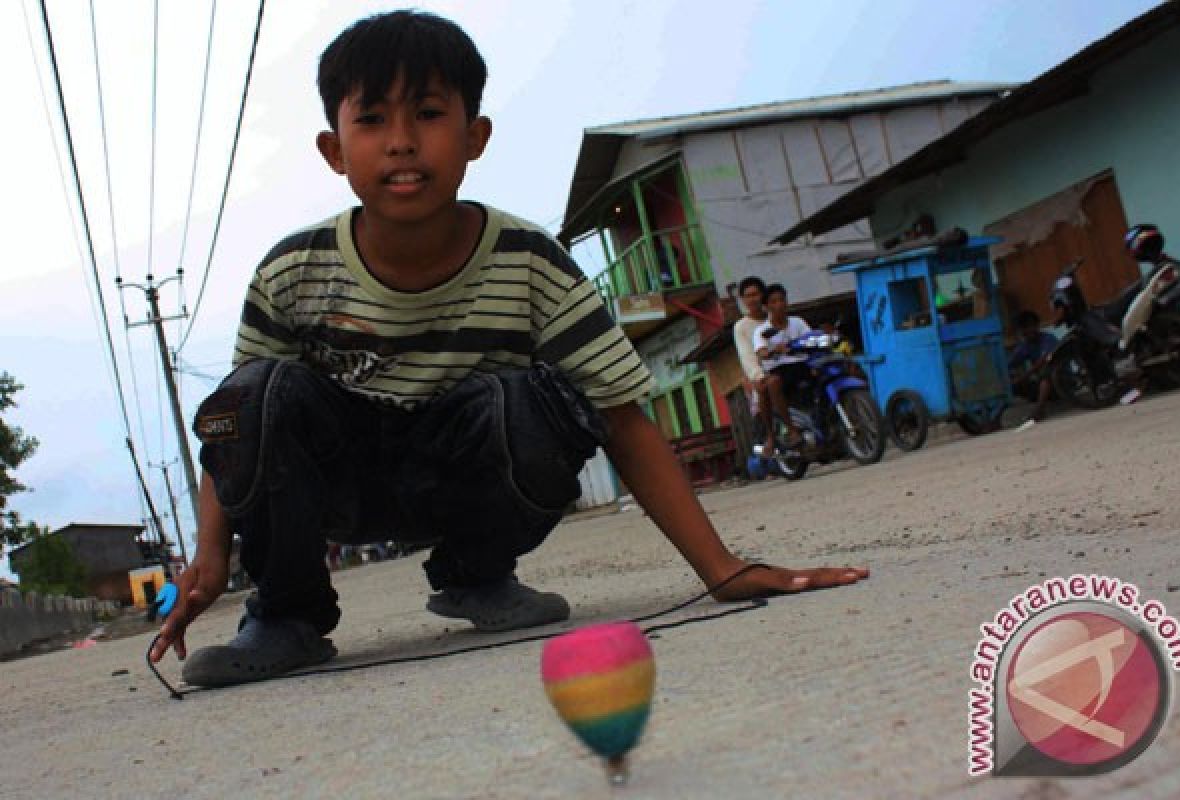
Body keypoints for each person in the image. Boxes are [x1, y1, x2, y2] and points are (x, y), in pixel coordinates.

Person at [149, 11, 867, 687]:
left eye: (428, 114)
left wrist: (721, 569)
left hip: (458, 480)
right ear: (335, 150)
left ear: (475, 135)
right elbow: (235, 427)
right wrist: (210, 558)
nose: (401, 141)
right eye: (372, 120)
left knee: (546, 400)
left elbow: (622, 417)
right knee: (257, 391)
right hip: (335, 486)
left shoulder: (529, 260)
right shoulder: (292, 271)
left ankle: (477, 574)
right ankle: (286, 616)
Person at [753, 284, 812, 442]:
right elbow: (761, 352)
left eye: (781, 300)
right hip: (780, 370)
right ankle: (791, 429)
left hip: (802, 365)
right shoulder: (761, 330)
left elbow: (810, 338)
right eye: (773, 301)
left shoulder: (798, 322)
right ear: (766, 307)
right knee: (772, 382)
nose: (779, 304)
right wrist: (773, 351)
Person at [732, 276, 784, 455]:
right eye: (747, 296)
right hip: (764, 376)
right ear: (742, 300)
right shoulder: (741, 326)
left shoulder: (775, 317)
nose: (752, 299)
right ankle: (771, 438)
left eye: (756, 294)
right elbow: (747, 355)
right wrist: (757, 375)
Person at [1008, 310, 1058, 430]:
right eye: (1024, 328)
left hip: (1059, 382)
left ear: (1036, 326)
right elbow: (1010, 363)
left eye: (1030, 326)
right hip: (1040, 386)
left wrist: (1024, 376)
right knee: (1011, 384)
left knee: (1045, 373)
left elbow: (1044, 360)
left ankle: (1039, 410)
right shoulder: (1025, 346)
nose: (1028, 331)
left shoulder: (1048, 339)